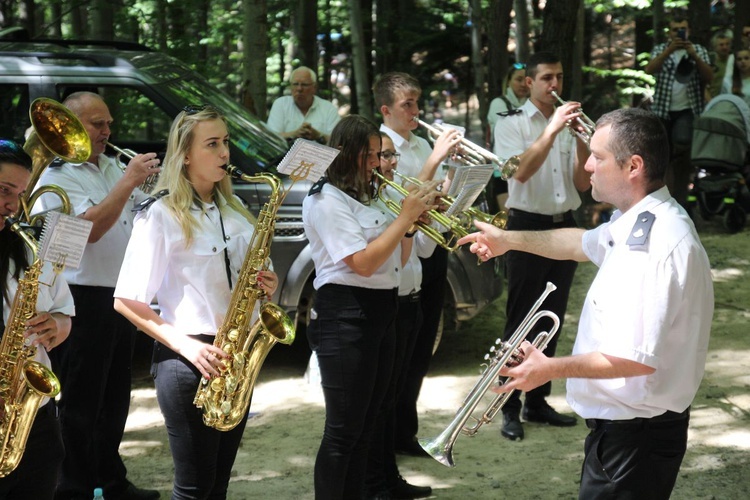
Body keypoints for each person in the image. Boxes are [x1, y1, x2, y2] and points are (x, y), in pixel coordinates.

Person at [458, 107, 714, 499]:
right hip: (627, 435)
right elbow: (580, 243)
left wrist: (548, 369)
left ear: (634, 166)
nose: (589, 166)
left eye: (598, 156)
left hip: (634, 439)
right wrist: (508, 240)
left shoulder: (652, 243)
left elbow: (633, 359)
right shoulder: (638, 221)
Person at [113, 105, 279, 499]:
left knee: (217, 485)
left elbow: (250, 280)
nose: (225, 153)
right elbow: (126, 301)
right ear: (185, 154)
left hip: (234, 357)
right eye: (212, 144)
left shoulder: (235, 211)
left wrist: (265, 283)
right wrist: (189, 346)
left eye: (225, 143)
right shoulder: (160, 215)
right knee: (193, 489)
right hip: (187, 360)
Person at [33, 92, 161, 500]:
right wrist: (128, 183)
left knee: (114, 397)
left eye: (109, 123)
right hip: (80, 297)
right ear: (70, 125)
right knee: (80, 400)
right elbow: (88, 233)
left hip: (119, 294)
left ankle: (110, 480)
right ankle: (73, 487)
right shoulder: (57, 178)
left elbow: (147, 214)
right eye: (97, 124)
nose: (108, 132)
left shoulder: (111, 164)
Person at [302, 115, 437, 500]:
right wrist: (404, 217)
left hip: (381, 309)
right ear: (346, 154)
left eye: (380, 155)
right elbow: (361, 263)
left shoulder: (370, 195)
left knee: (370, 421)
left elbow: (401, 254)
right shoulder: (326, 199)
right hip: (346, 314)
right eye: (370, 155)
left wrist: (409, 226)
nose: (378, 163)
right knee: (344, 430)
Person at [492, 50, 590, 442]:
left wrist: (584, 139)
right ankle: (508, 406)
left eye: (560, 77)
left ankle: (537, 401)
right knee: (520, 320)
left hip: (564, 225)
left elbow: (583, 185)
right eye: (547, 78)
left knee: (553, 318)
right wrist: (551, 130)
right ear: (529, 82)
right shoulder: (512, 123)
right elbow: (519, 172)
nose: (555, 85)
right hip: (527, 226)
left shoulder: (568, 122)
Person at [372, 72, 462, 456]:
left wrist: (454, 177)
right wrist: (435, 159)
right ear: (386, 109)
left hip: (430, 249)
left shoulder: (422, 142)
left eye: (417, 102)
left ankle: (405, 433)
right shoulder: (378, 148)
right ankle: (385, 440)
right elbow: (403, 198)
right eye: (407, 103)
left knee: (422, 347)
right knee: (396, 357)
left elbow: (437, 196)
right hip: (398, 256)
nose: (416, 110)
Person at [0, 140, 73, 500]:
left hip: (33, 413)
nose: (12, 204)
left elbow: (64, 311)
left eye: (19, 194)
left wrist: (57, 325)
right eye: (3, 190)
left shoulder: (30, 251)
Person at [364, 133, 435, 499]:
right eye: (382, 156)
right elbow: (393, 259)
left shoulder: (394, 195)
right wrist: (405, 218)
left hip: (410, 299)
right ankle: (376, 483)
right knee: (378, 403)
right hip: (387, 302)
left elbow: (421, 249)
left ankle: (388, 479)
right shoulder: (374, 201)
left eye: (391, 155)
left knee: (391, 398)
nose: (390, 163)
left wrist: (431, 216)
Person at [644, 11, 713, 209]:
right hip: (663, 111)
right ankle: (664, 199)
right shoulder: (661, 49)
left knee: (683, 151)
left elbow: (709, 77)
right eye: (675, 30)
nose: (679, 33)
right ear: (669, 32)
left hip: (688, 111)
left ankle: (681, 200)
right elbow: (649, 69)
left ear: (688, 30)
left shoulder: (698, 50)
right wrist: (668, 52)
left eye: (682, 29)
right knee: (663, 157)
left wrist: (694, 56)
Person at [486, 62, 529, 213]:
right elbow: (508, 131)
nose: (523, 84)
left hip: (527, 167)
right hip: (503, 171)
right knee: (509, 217)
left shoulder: (531, 105)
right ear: (509, 82)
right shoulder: (499, 103)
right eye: (518, 79)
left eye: (526, 79)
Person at [266, 66, 341, 144]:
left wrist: (318, 135)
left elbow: (338, 141)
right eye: (295, 84)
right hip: (285, 155)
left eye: (304, 85)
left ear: (314, 87)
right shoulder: (281, 104)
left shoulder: (328, 108)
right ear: (290, 86)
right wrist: (294, 134)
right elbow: (271, 137)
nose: (299, 89)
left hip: (318, 155)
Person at [708, 31, 733, 99]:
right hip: (715, 100)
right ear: (714, 47)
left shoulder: (734, 61)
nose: (725, 47)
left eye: (727, 44)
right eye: (721, 45)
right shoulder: (710, 63)